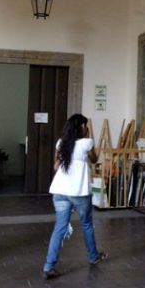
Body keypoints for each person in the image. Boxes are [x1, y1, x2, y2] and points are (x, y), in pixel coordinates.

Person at [42, 114, 107, 279]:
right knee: (86, 224)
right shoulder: (87, 143)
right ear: (82, 128)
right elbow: (94, 159)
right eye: (85, 126)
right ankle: (93, 257)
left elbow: (55, 166)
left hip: (60, 191)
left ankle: (49, 266)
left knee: (60, 227)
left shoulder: (61, 143)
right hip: (79, 192)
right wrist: (88, 138)